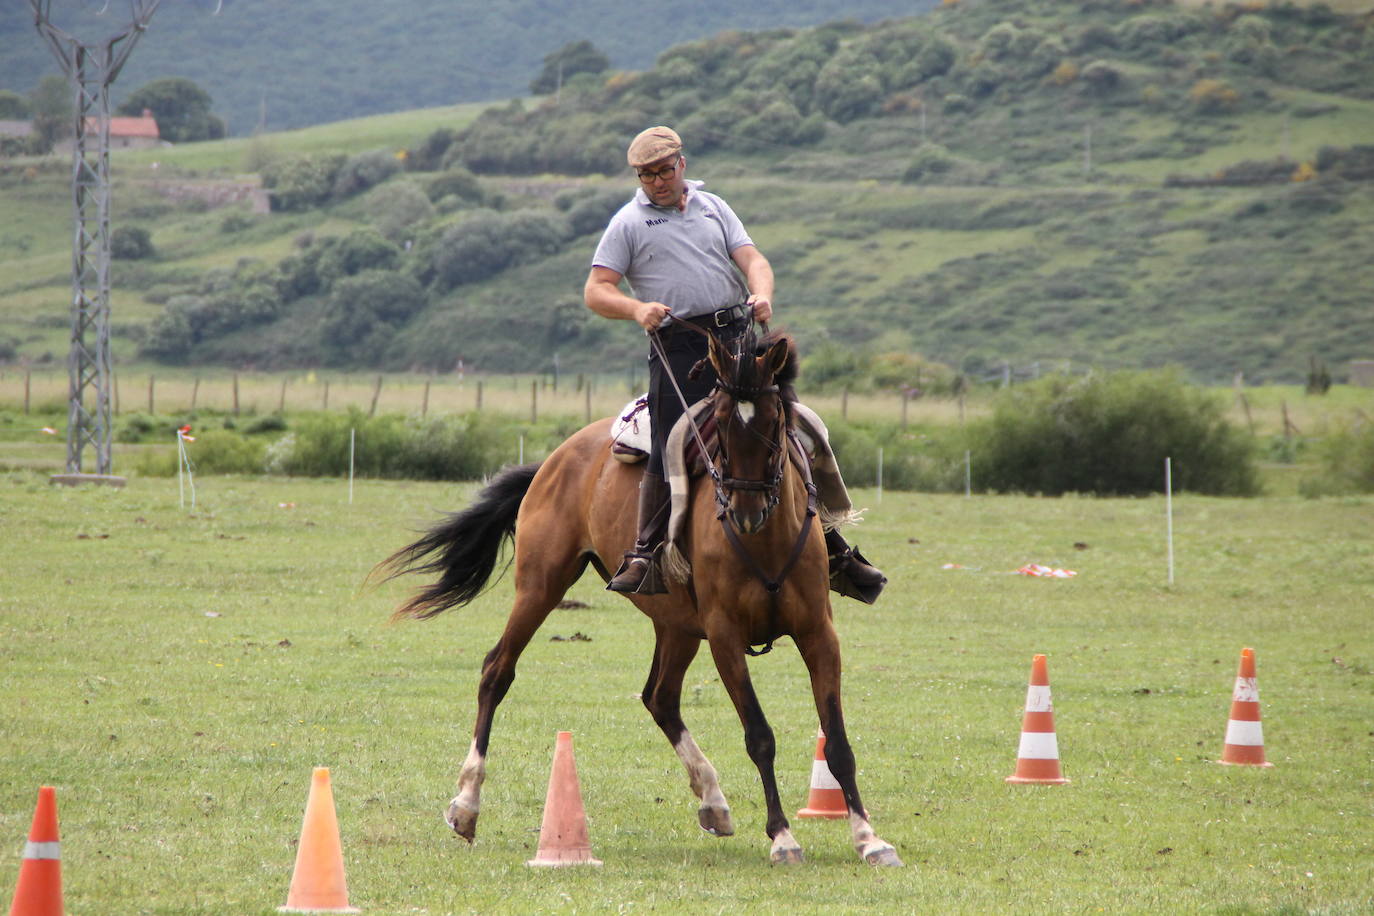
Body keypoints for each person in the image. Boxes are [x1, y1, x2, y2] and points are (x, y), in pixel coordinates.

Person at [584, 126, 885, 602]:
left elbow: (753, 259)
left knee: (796, 427)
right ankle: (645, 552)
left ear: (682, 164)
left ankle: (831, 543)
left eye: (663, 171)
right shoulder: (628, 223)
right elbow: (597, 289)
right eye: (646, 176)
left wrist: (761, 293)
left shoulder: (714, 207)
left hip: (739, 336)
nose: (657, 182)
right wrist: (637, 309)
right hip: (679, 347)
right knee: (670, 441)